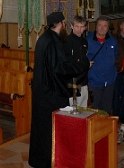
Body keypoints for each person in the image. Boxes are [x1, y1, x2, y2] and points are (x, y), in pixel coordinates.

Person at [28, 11, 90, 168]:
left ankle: (39, 160)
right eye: (64, 23)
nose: (64, 27)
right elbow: (60, 69)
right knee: (50, 130)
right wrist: (83, 65)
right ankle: (49, 161)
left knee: (41, 128)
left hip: (43, 92)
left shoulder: (45, 38)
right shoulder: (52, 42)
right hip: (51, 94)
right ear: (60, 24)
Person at [87, 16, 118, 115]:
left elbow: (116, 55)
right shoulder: (88, 41)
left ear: (108, 28)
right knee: (95, 107)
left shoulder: (112, 41)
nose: (102, 28)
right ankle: (96, 129)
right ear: (96, 27)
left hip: (109, 81)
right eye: (100, 25)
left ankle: (105, 129)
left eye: (105, 26)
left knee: (107, 108)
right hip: (94, 81)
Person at [65, 15, 90, 108]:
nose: (80, 29)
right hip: (72, 81)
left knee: (83, 107)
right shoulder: (66, 41)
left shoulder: (84, 41)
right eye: (77, 26)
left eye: (82, 26)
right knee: (73, 108)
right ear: (71, 26)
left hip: (83, 80)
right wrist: (85, 64)